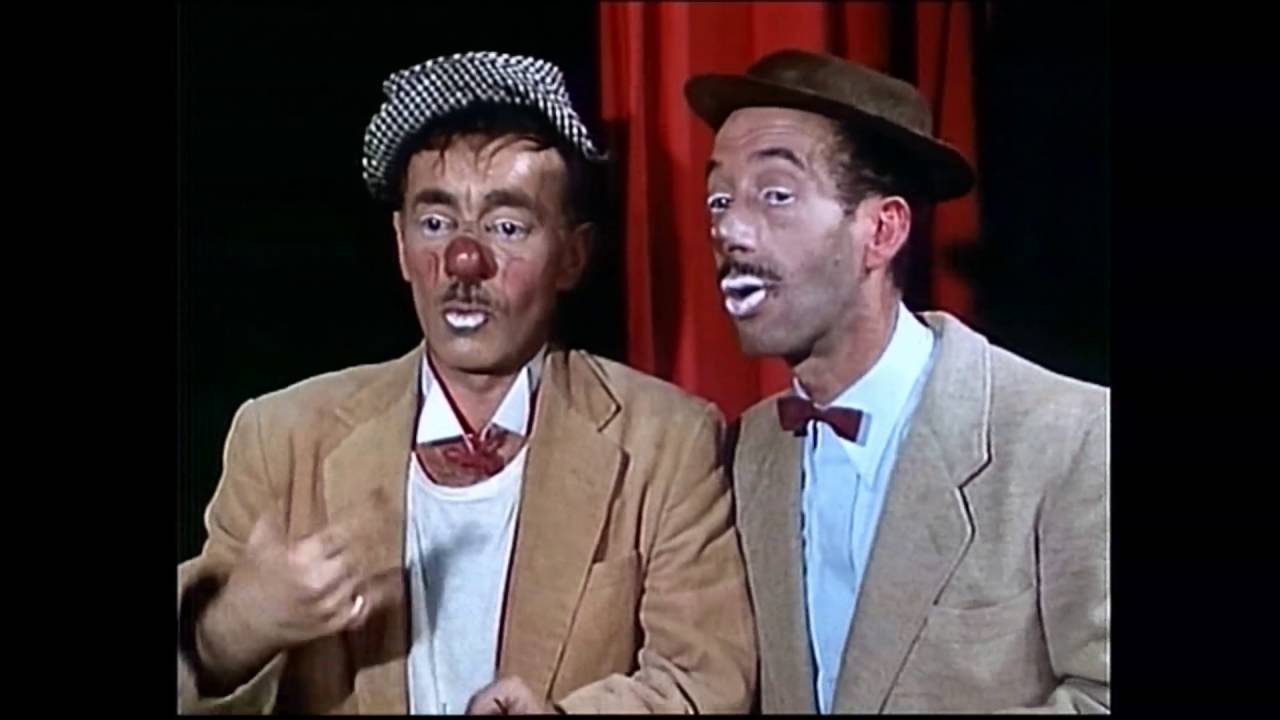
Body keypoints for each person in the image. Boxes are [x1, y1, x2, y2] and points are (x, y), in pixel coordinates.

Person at [177, 50, 755, 715]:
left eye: (507, 226)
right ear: (401, 245)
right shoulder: (282, 437)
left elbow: (705, 680)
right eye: (436, 223)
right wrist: (233, 630)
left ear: (572, 256)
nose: (464, 259)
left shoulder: (667, 441)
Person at [683, 49, 1109, 713]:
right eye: (719, 199)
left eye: (776, 195)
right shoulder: (742, 454)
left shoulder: (1069, 437)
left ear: (882, 231)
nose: (730, 230)